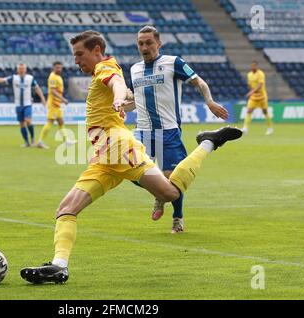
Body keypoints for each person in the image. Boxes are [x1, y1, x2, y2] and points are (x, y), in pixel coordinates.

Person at [20, 30, 242, 285]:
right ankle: (59, 267)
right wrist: (122, 99)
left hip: (119, 147)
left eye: (79, 54)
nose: (76, 61)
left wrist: (117, 98)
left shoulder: (105, 68)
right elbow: (123, 90)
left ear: (96, 51)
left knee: (170, 193)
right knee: (66, 209)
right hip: (104, 157)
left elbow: (116, 83)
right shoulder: (102, 73)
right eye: (74, 55)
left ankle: (208, 142)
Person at [131, 26, 229, 233]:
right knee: (130, 171)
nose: (145, 47)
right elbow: (136, 99)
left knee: (173, 178)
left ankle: (177, 217)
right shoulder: (134, 69)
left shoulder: (173, 62)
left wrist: (209, 101)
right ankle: (159, 194)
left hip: (168, 131)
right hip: (142, 131)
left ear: (158, 43)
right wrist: (120, 106)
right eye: (141, 43)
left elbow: (198, 81)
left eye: (149, 42)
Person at [0, 63, 46, 147]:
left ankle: (33, 139)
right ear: (17, 70)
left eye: (23, 69)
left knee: (28, 121)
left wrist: (43, 99)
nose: (21, 70)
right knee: (22, 123)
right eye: (20, 69)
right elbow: (2, 80)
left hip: (27, 104)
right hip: (18, 105)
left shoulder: (30, 78)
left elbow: (37, 88)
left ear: (25, 70)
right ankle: (26, 142)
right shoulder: (14, 78)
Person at [36, 61, 76, 149]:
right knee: (50, 121)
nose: (59, 69)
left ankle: (66, 141)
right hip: (53, 104)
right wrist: (63, 99)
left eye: (60, 67)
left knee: (61, 122)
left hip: (57, 104)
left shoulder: (58, 76)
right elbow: (53, 91)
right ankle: (40, 141)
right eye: (57, 67)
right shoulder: (53, 77)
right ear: (53, 68)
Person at [242, 61, 273, 135]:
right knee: (249, 111)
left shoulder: (260, 74)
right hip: (253, 97)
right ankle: (245, 128)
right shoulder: (249, 74)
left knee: (265, 112)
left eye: (254, 66)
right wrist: (251, 90)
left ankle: (270, 128)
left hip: (262, 96)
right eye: (252, 66)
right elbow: (249, 84)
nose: (253, 67)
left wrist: (251, 92)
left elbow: (260, 85)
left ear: (257, 66)